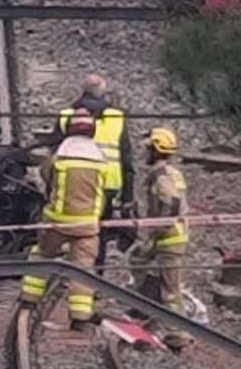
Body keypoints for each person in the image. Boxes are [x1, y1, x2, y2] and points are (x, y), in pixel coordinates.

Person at [20, 111, 117, 330]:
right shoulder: (101, 160)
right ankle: (80, 317)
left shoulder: (59, 157)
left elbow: (46, 177)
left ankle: (29, 299)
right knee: (83, 269)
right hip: (86, 224)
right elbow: (108, 188)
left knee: (42, 255)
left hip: (57, 220)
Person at [57, 74, 135, 262]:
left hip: (73, 181)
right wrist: (127, 197)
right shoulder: (116, 117)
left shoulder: (67, 115)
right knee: (97, 233)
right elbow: (126, 159)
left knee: (69, 227)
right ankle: (95, 273)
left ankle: (71, 266)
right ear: (102, 93)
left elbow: (55, 153)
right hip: (108, 185)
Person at [131, 127, 192, 350]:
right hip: (170, 238)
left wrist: (158, 228)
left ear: (156, 150)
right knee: (137, 261)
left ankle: (179, 334)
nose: (144, 152)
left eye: (148, 148)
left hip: (169, 240)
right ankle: (148, 315)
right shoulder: (172, 172)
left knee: (170, 289)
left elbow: (171, 201)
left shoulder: (161, 175)